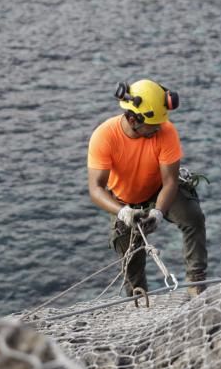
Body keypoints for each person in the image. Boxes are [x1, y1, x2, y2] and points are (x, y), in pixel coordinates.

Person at [87, 79, 208, 298]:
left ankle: (196, 280)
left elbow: (170, 181)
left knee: (193, 216)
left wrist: (158, 212)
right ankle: (139, 297)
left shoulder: (165, 131)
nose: (158, 129)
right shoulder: (104, 137)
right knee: (131, 260)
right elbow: (96, 188)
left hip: (159, 190)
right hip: (124, 202)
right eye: (152, 126)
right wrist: (123, 212)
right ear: (133, 119)